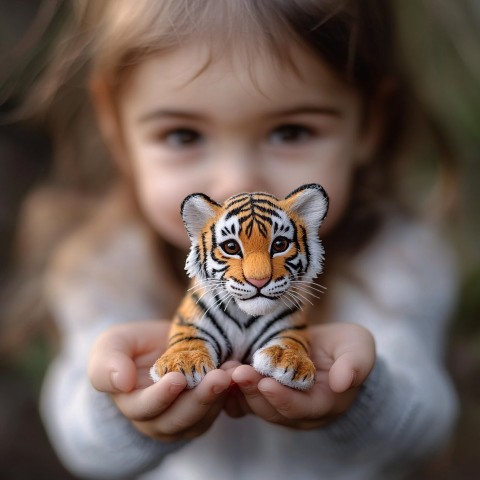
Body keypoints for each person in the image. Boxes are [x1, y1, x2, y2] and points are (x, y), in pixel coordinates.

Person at [16, 1, 459, 479]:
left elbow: (428, 428)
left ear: (369, 123)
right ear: (116, 129)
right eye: (184, 135)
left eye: (291, 131)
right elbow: (79, 444)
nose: (238, 182)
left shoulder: (400, 258)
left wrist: (367, 394)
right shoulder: (105, 267)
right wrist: (121, 410)